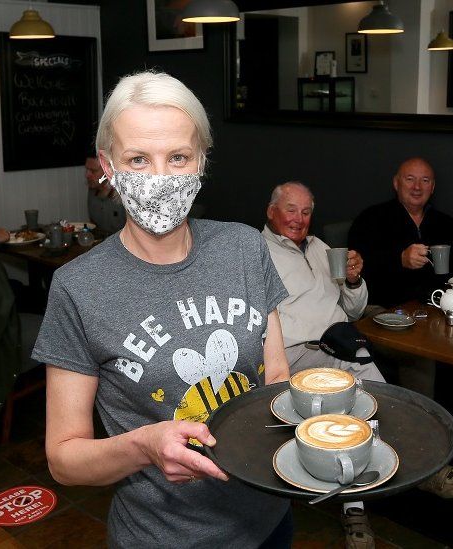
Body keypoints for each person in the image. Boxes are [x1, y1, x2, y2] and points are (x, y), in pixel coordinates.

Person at [33, 71, 294, 548]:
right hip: (165, 537)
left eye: (178, 157)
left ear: (201, 161)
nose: (159, 177)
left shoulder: (243, 247)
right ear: (108, 168)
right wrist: (143, 446)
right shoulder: (78, 287)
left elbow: (275, 374)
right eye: (137, 159)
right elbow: (64, 460)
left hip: (270, 519)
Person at [263, 182, 453, 548]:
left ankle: (404, 479)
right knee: (355, 406)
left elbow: (355, 308)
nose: (298, 219)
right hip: (297, 351)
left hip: (341, 342)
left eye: (305, 211)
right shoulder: (256, 251)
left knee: (372, 403)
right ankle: (376, 496)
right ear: (271, 211)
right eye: (290, 209)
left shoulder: (321, 248)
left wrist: (353, 280)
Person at [347, 157, 453, 307]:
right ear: (396, 183)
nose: (417, 187)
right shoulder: (371, 219)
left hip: (440, 308)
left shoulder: (446, 223)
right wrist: (400, 259)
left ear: (432, 187)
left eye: (425, 180)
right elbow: (356, 268)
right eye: (410, 179)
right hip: (388, 309)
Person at [85, 149, 127, 236]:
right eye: (87, 170)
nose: (87, 175)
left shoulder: (125, 193)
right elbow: (94, 226)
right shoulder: (93, 189)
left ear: (108, 170)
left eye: (93, 171)